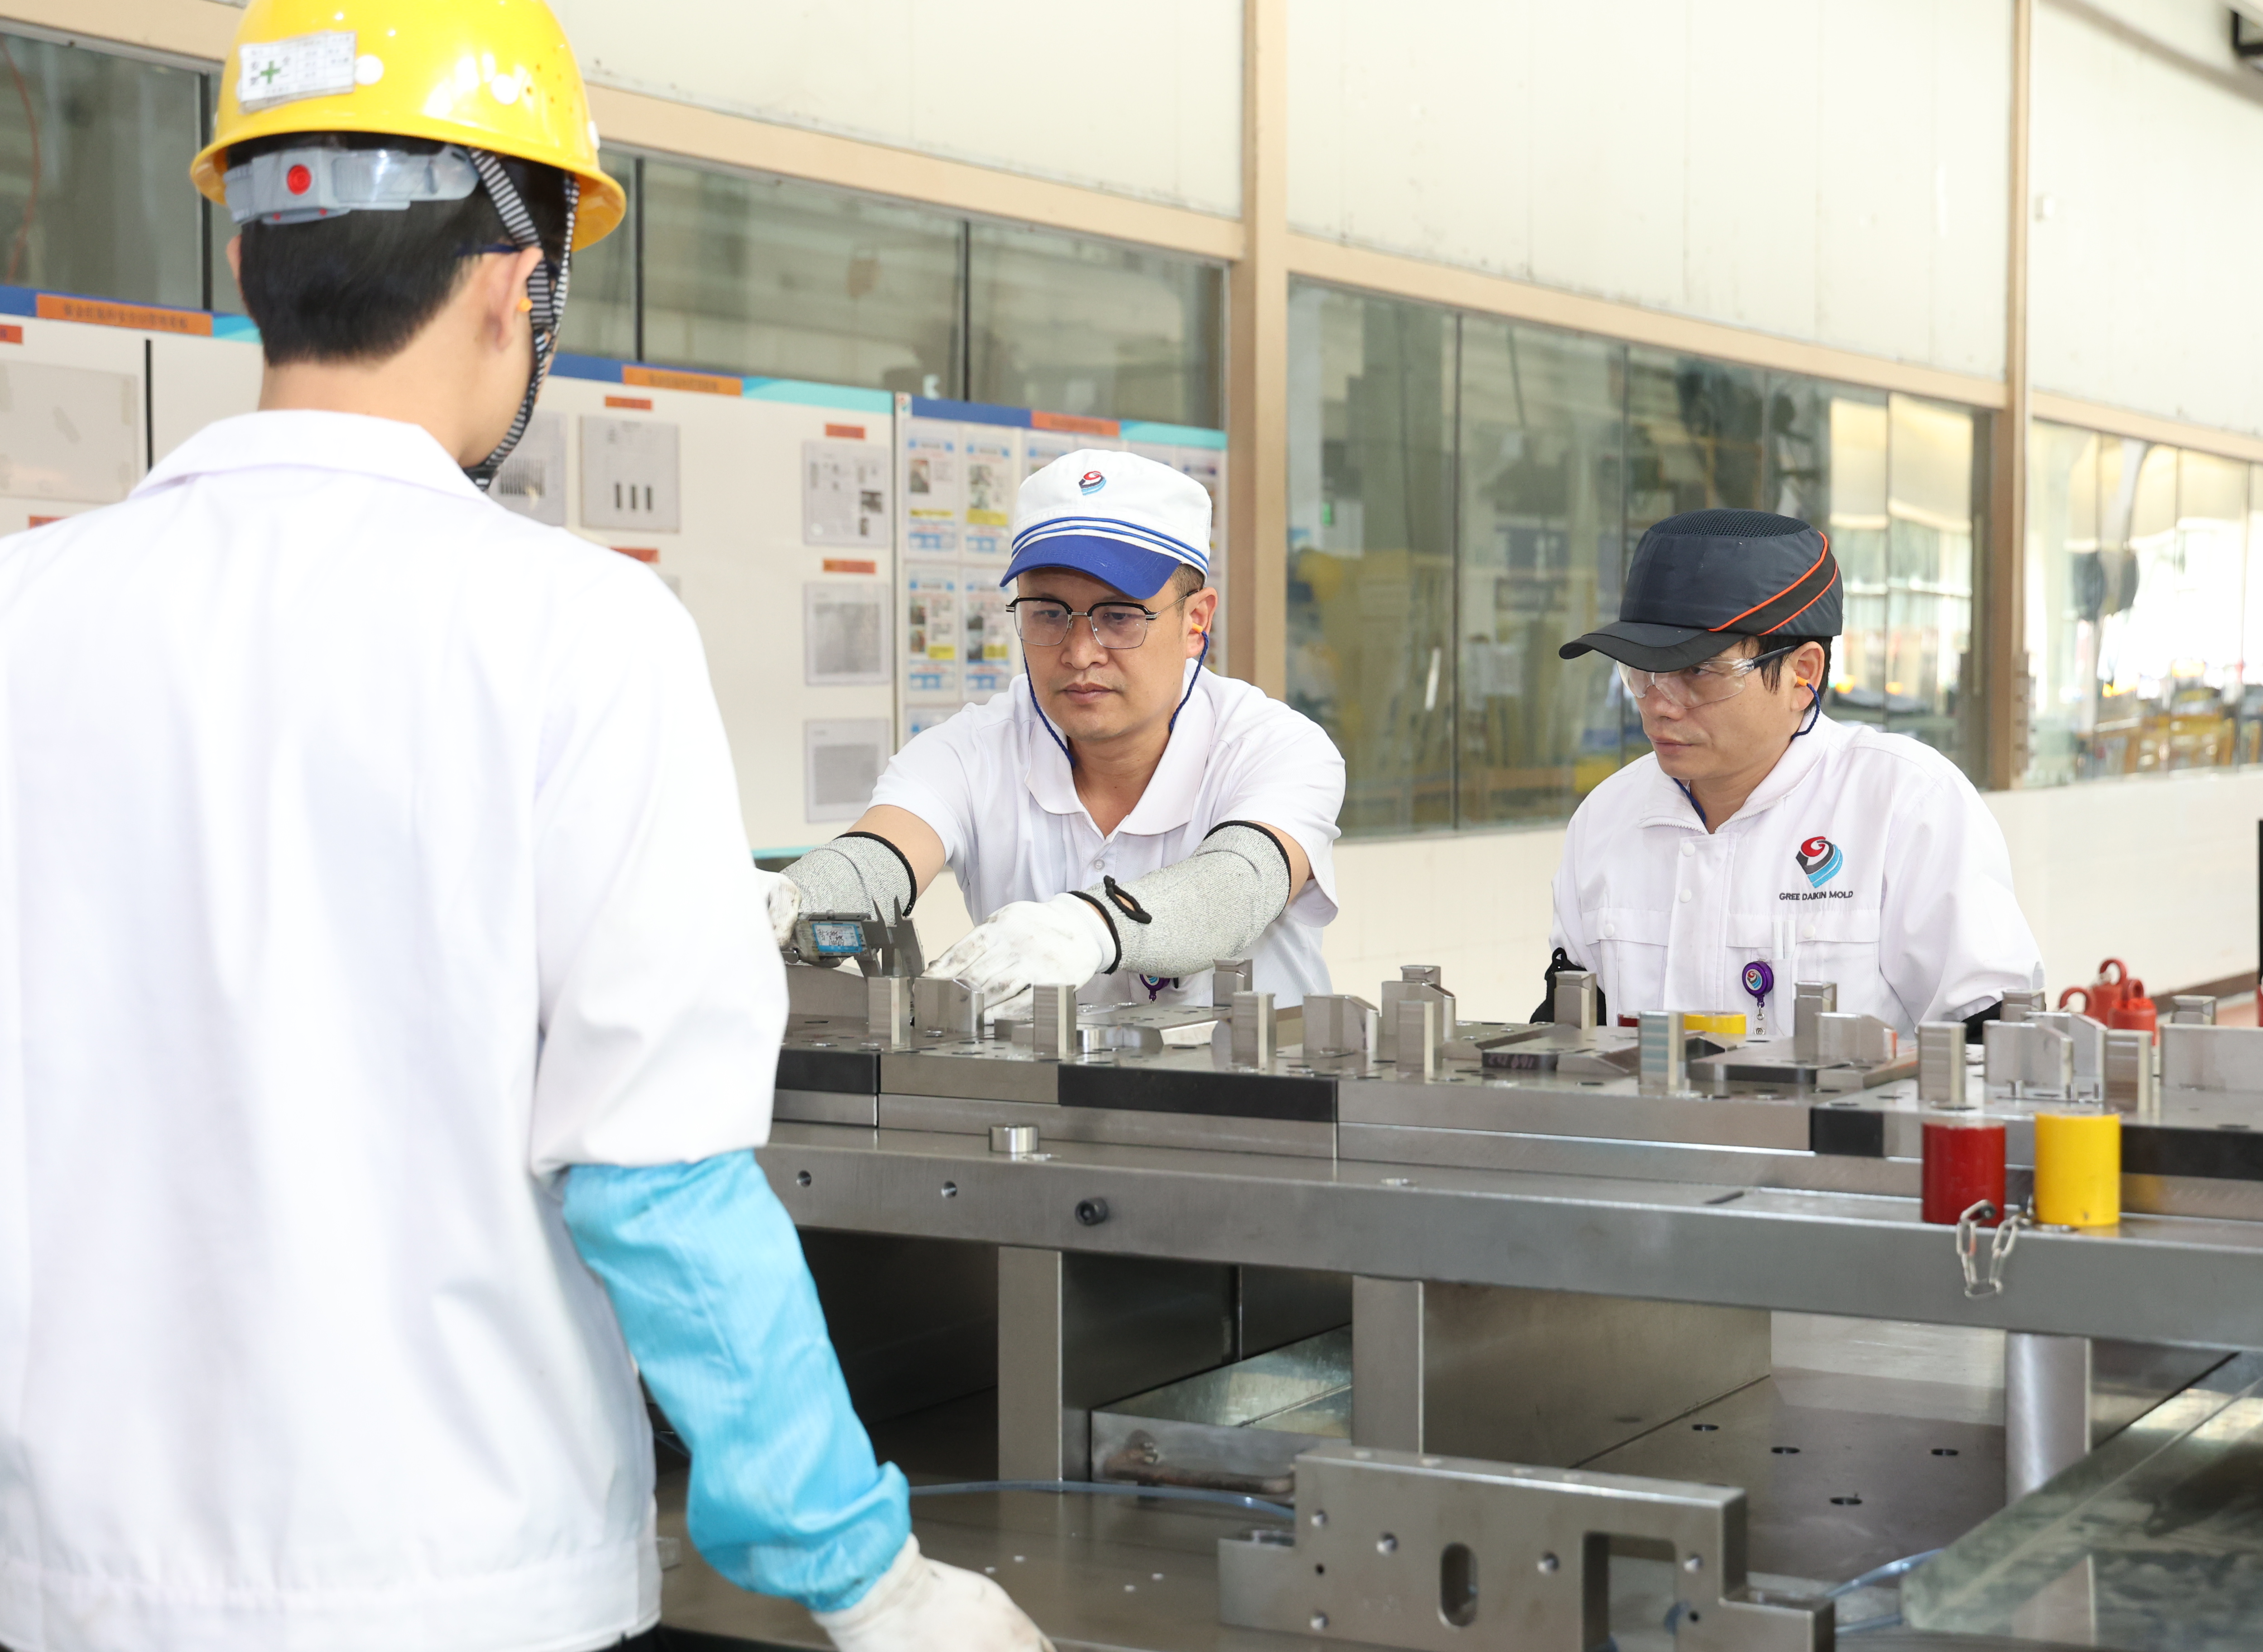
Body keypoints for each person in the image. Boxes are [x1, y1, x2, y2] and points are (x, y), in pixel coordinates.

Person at [0, 3, 1046, 1649]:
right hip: (458, 1584)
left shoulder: (27, 614)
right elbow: (658, 1187)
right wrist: (871, 1575)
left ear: (255, 258)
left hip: (63, 1582)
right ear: (517, 284)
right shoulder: (575, 635)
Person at [779, 450, 1345, 1014]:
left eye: (1119, 616)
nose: (1079, 654)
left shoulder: (1275, 749)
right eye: (1048, 613)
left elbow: (1238, 887)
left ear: (1195, 621)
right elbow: (874, 861)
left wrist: (1091, 926)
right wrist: (787, 902)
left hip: (1254, 1099)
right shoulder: (974, 750)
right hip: (1043, 1100)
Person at [1542, 509, 2042, 1036]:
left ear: (1803, 673)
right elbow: (1569, 1034)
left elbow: (1997, 1042)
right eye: (1641, 672)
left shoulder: (1905, 805)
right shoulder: (1606, 818)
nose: (1660, 704)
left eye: (1698, 671)